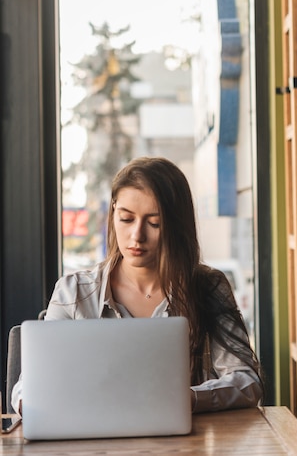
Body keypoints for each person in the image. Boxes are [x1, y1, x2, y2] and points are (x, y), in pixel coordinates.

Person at [12, 156, 263, 414]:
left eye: (154, 223)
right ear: (113, 214)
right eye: (126, 219)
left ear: (176, 227)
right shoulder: (73, 292)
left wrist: (188, 399)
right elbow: (26, 387)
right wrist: (30, 404)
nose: (137, 235)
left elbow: (247, 382)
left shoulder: (207, 288)